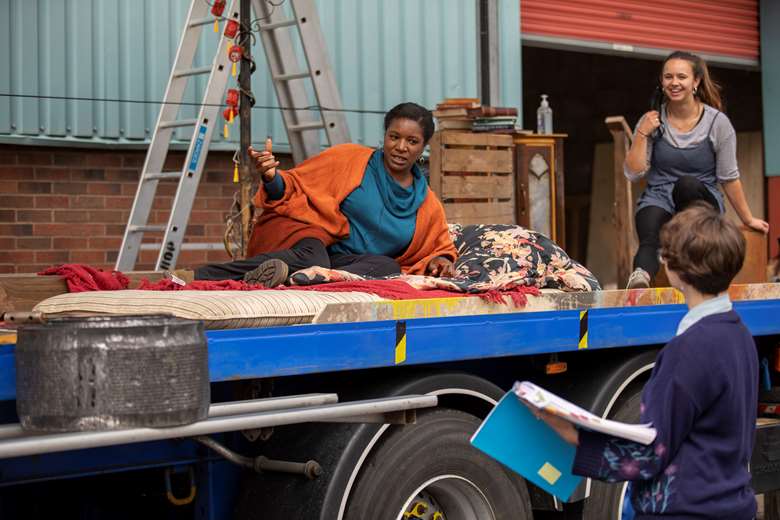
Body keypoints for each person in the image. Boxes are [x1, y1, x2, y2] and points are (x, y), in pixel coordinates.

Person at [537, 203, 758, 519]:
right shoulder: (739, 335)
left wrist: (569, 433)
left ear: (676, 270)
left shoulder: (688, 349)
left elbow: (648, 455)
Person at [195, 102, 457, 286]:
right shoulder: (350, 159)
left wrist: (442, 259)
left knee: (389, 267)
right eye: (394, 137)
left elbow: (440, 247)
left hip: (346, 264)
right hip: (310, 244)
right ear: (384, 136)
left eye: (412, 141)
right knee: (314, 256)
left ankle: (296, 279)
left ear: (423, 147)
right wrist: (271, 176)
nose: (401, 147)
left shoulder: (426, 203)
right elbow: (294, 186)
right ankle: (209, 274)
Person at [624, 50, 768, 289]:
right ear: (662, 82)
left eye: (681, 76)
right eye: (668, 77)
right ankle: (640, 279)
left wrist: (747, 218)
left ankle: (694, 268)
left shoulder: (717, 123)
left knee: (687, 184)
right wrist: (642, 133)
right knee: (650, 225)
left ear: (696, 81)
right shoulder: (651, 120)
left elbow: (729, 177)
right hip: (660, 197)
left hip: (700, 199)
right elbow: (633, 173)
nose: (674, 83)